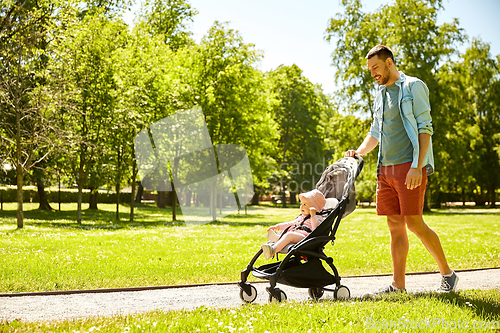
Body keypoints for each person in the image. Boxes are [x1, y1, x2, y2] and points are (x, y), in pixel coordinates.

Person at [345, 45, 458, 297]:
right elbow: (376, 131)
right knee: (395, 225)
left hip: (409, 167)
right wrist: (359, 152)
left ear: (389, 62)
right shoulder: (380, 93)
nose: (372, 73)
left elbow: (425, 127)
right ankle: (398, 286)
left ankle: (447, 274)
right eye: (370, 69)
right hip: (385, 169)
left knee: (415, 223)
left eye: (375, 68)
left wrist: (418, 166)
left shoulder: (413, 87)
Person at [261, 189, 326, 260]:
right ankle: (278, 237)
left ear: (314, 207)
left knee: (289, 235)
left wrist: (313, 215)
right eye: (301, 204)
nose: (301, 207)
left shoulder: (317, 218)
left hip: (306, 238)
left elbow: (316, 229)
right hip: (297, 234)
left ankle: (273, 250)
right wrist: (278, 226)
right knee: (287, 232)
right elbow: (291, 223)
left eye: (305, 204)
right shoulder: (302, 217)